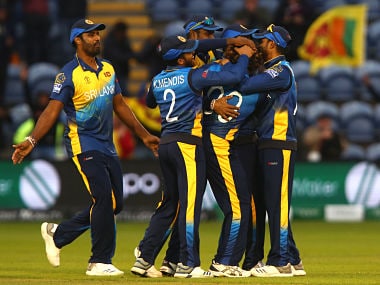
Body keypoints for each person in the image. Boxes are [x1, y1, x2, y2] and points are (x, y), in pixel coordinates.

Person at [11, 18, 160, 276]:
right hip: (83, 144)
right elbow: (51, 110)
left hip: (107, 144)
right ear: (77, 40)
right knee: (103, 199)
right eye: (91, 35)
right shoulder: (68, 74)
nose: (97, 38)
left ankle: (58, 234)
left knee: (115, 204)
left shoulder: (108, 69)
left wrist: (144, 136)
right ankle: (99, 261)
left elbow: (121, 106)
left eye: (98, 34)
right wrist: (32, 141)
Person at [130, 34, 254, 278]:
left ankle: (144, 259)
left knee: (170, 204)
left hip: (165, 144)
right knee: (189, 205)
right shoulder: (191, 75)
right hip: (188, 145)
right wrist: (245, 56)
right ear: (179, 59)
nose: (193, 55)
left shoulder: (157, 80)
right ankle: (188, 264)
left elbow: (150, 103)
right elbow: (235, 76)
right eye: (187, 53)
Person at [238, 24, 306, 277]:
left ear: (273, 43)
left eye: (262, 40)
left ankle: (280, 263)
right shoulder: (272, 71)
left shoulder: (281, 71)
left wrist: (238, 63)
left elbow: (245, 85)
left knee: (276, 204)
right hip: (268, 143)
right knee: (271, 202)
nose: (258, 44)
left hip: (279, 143)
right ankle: (293, 258)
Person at [201, 24, 262, 277]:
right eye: (243, 44)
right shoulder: (229, 71)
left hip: (228, 143)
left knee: (242, 205)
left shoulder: (219, 71)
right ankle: (223, 262)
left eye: (250, 43)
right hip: (218, 144)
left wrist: (212, 102)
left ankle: (233, 260)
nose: (250, 47)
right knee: (237, 207)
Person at [102, 20, 135, 97]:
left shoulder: (124, 39)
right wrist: (129, 56)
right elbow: (117, 56)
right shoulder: (109, 41)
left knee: (122, 93)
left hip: (122, 71)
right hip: (111, 72)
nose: (124, 34)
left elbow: (130, 52)